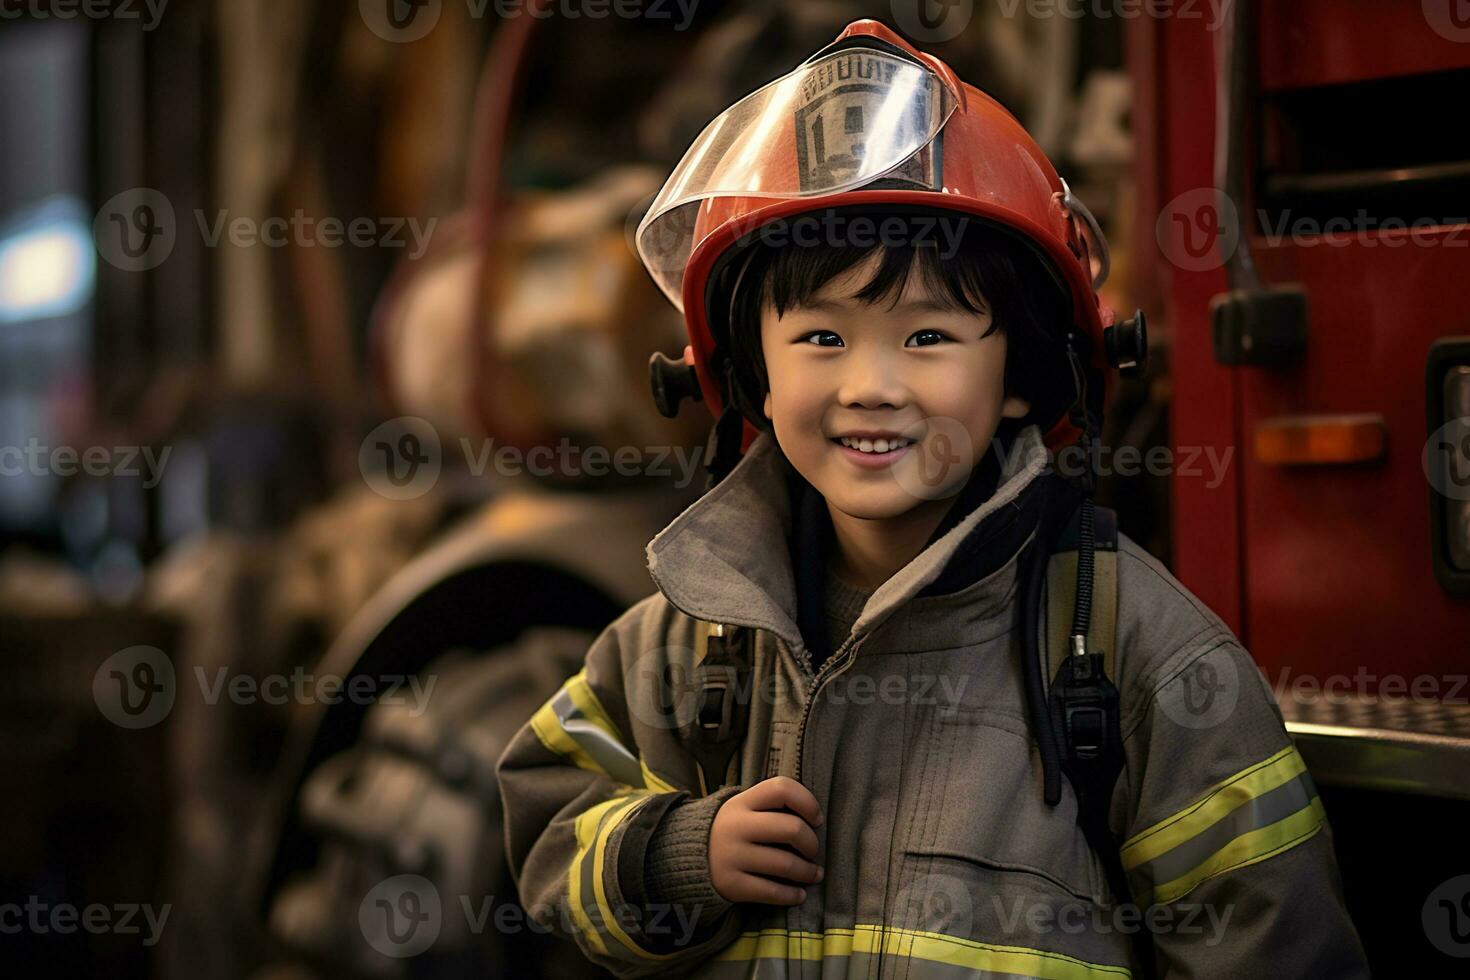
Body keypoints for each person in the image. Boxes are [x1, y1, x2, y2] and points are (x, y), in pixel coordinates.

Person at [496, 20, 1369, 978]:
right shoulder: (686, 638)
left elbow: (1276, 946)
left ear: (1026, 372)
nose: (871, 386)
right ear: (750, 374)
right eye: (822, 338)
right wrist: (673, 854)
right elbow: (551, 821)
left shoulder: (1137, 661)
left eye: (927, 339)